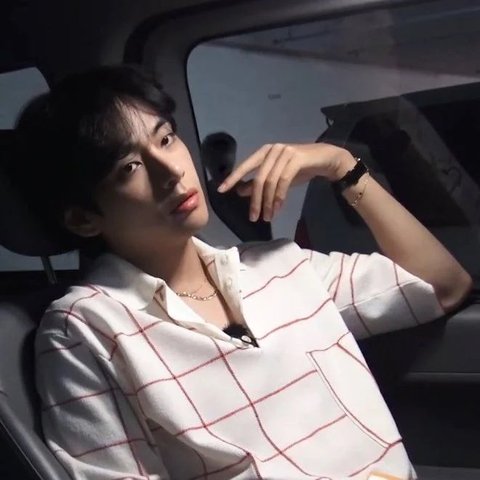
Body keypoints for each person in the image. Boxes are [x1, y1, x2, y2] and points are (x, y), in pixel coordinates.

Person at [13, 65, 471, 480]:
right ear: (83, 218)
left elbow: (444, 286)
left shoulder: (280, 265)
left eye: (166, 139)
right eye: (129, 167)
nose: (171, 171)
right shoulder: (84, 328)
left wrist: (341, 166)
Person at [201, 131, 272, 241]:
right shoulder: (201, 196)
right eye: (214, 154)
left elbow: (264, 240)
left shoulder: (250, 195)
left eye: (224, 152)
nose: (221, 159)